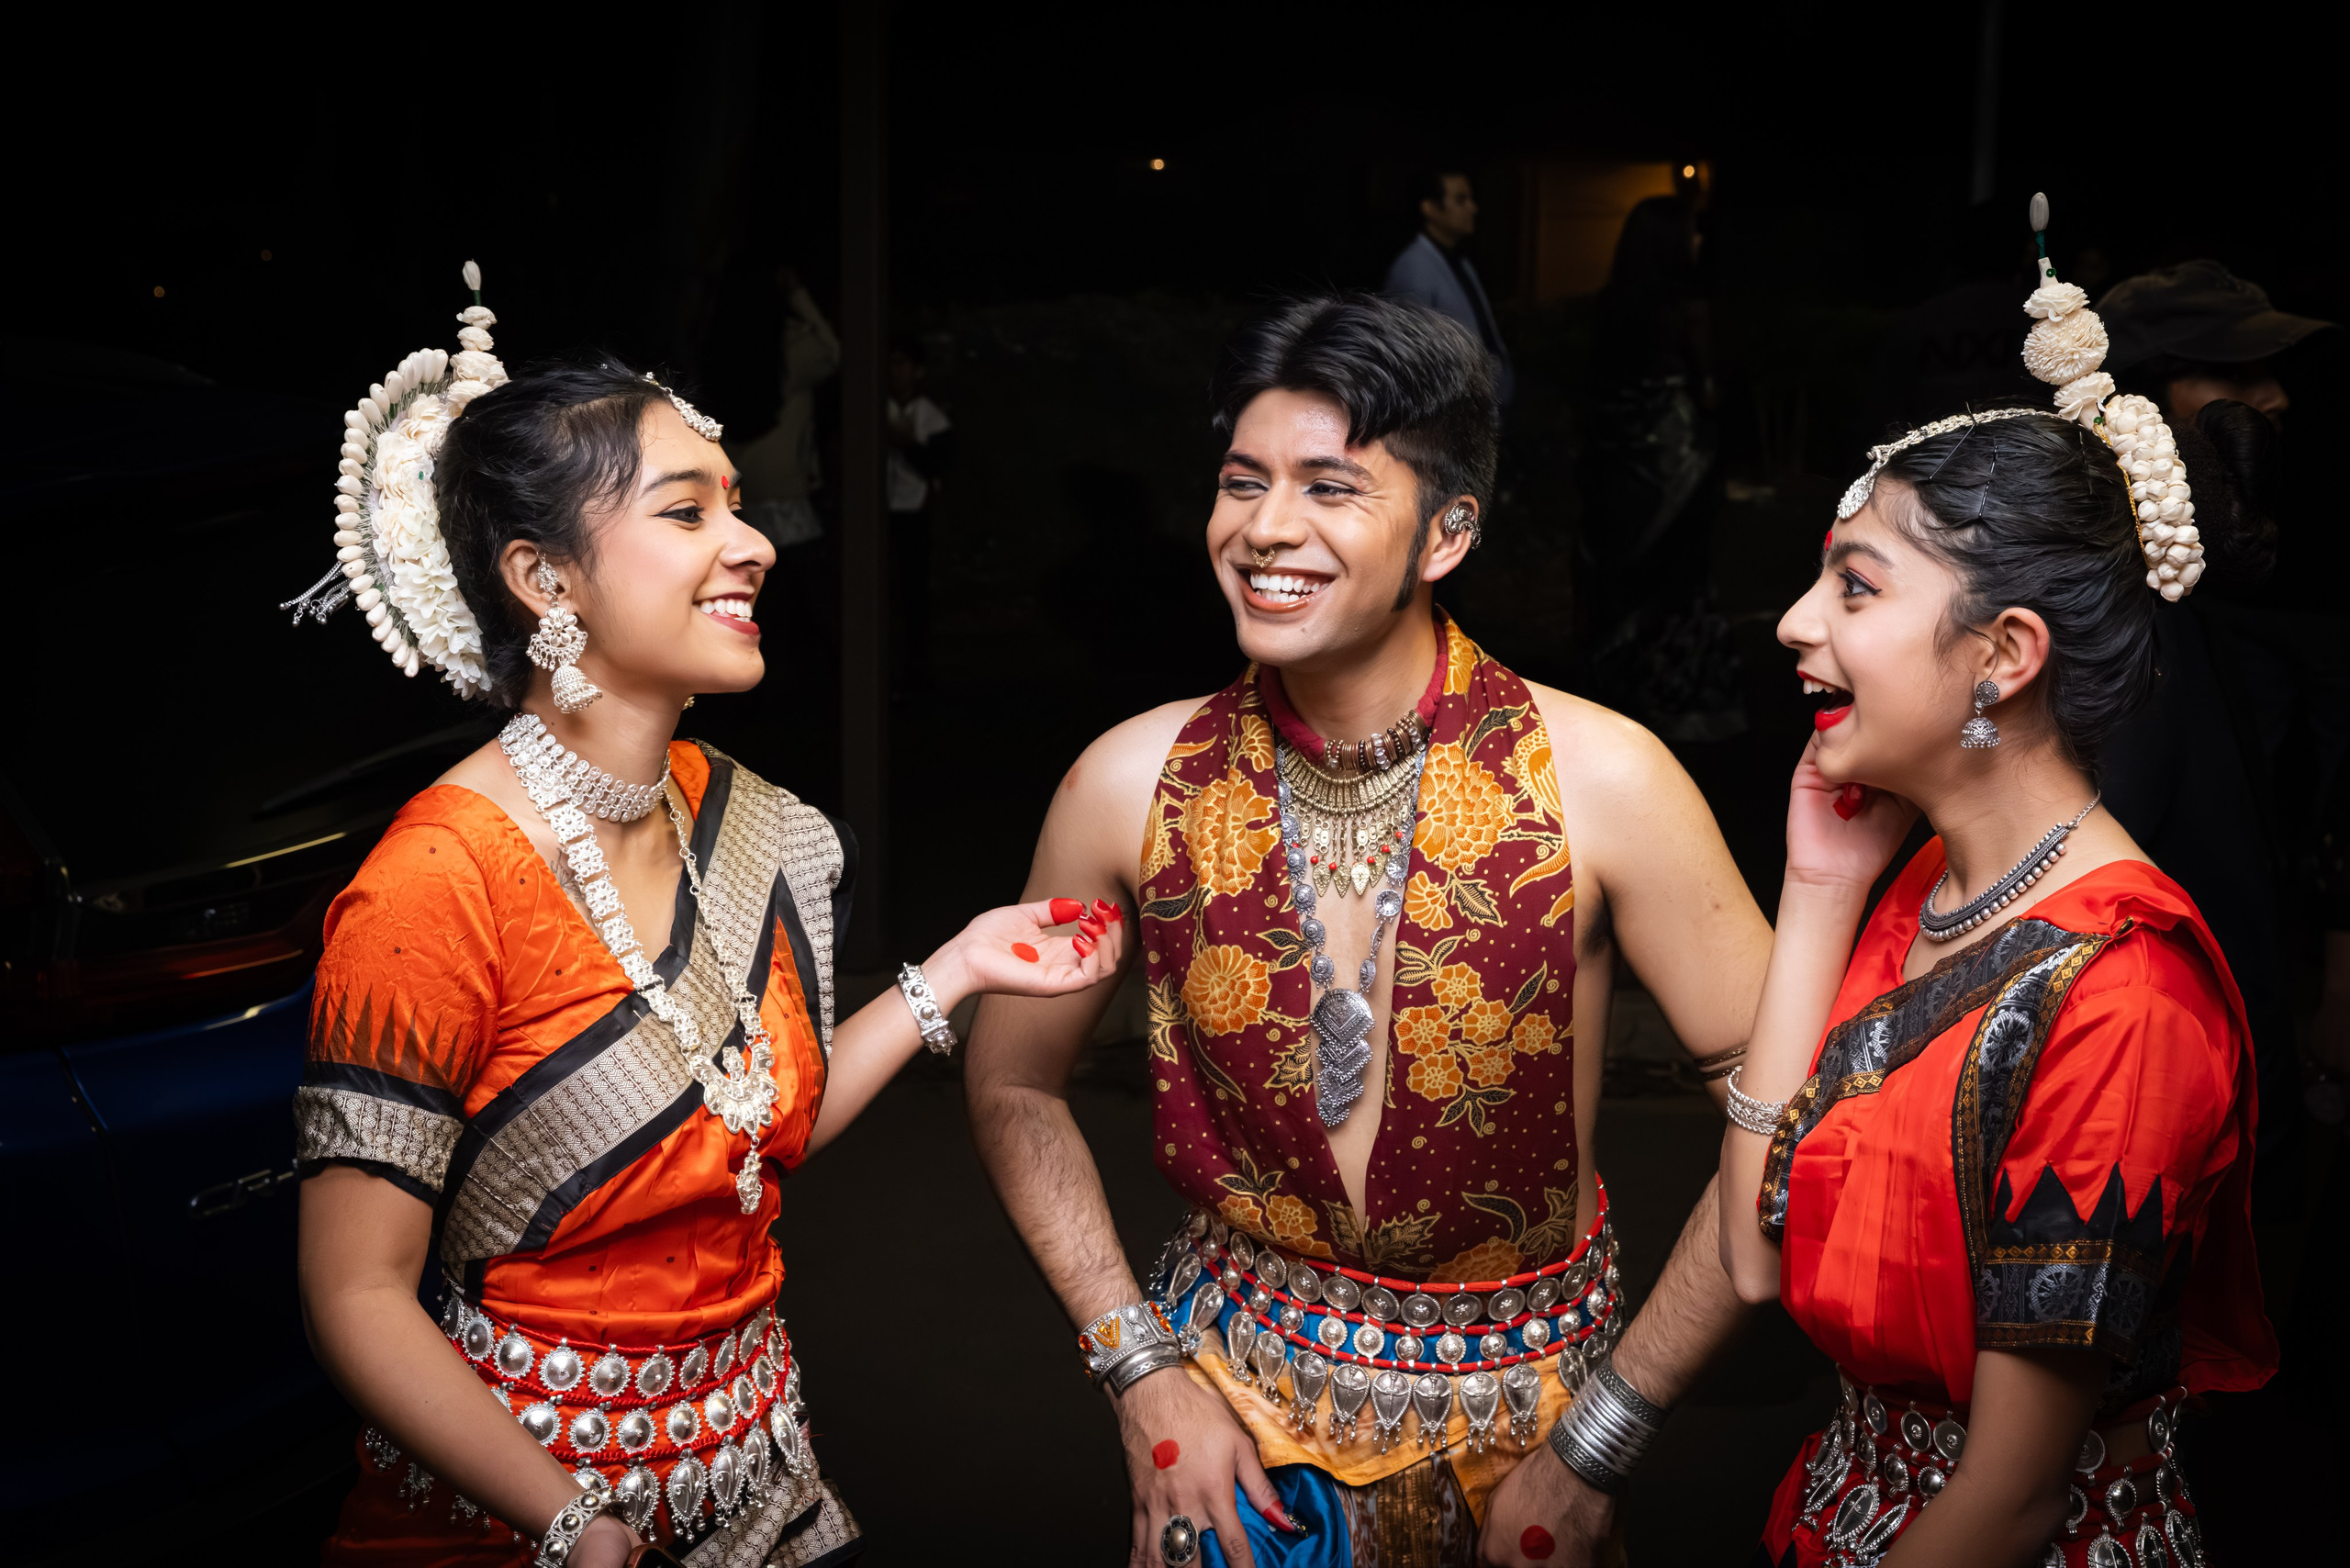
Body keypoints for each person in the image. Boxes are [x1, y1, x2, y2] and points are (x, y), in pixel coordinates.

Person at [285, 269, 1124, 1568]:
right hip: (506, 1528)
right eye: (690, 512)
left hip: (762, 1492)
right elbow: (354, 1293)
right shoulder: (434, 886)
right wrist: (571, 1523)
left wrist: (957, 970)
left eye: (738, 504)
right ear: (542, 579)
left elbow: (747, 1130)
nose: (754, 544)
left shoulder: (753, 820)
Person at [964, 293, 1770, 1568]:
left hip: (1532, 1441)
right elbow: (1011, 1083)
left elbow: (1782, 1119)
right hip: (1226, 1433)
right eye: (1243, 482)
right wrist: (1141, 1376)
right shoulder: (1125, 784)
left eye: (1331, 488)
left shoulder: (1609, 784)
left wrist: (1606, 1435)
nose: (1266, 530)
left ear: (1447, 532)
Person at [1717, 231, 2277, 1567]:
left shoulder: (2127, 1000)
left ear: (2005, 655)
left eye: (1853, 587)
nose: (1796, 622)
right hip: (1832, 1512)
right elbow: (1752, 1257)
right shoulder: (1923, 886)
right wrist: (1816, 886)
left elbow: (2012, 1501)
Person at [1579, 193, 1738, 742]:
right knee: (1679, 579)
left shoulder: (1609, 305)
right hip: (1679, 472)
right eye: (1691, 232)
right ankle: (1680, 706)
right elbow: (1709, 392)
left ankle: (1613, 700)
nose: (1698, 241)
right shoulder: (1687, 308)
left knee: (1621, 579)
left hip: (1617, 474)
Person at [1384, 170, 1515, 407]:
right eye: (1460, 200)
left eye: (1470, 199)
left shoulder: (1460, 262)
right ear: (1430, 209)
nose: (1472, 208)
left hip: (1483, 409)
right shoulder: (1413, 267)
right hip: (1453, 414)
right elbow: (1410, 359)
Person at [733, 265, 839, 553]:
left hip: (738, 486)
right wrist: (799, 296)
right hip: (782, 490)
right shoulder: (791, 348)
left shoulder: (725, 346)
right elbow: (833, 352)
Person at [884, 333, 953, 689]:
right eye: (890, 364)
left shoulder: (932, 417)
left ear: (918, 371)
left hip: (914, 512)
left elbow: (939, 466)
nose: (894, 372)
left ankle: (916, 670)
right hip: (878, 515)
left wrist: (907, 443)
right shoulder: (877, 409)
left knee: (913, 590)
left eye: (901, 364)